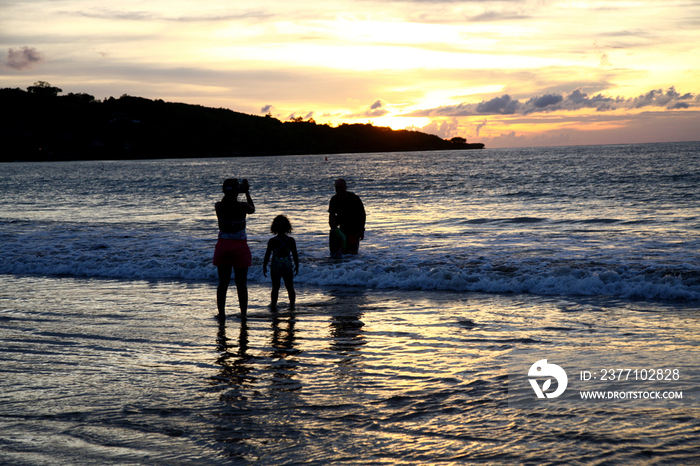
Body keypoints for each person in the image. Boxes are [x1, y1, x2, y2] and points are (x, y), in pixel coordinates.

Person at [213, 178, 255, 320]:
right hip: (239, 247)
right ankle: (243, 314)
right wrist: (247, 192)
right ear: (237, 191)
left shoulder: (218, 206)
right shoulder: (243, 206)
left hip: (223, 246)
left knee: (223, 283)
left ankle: (222, 313)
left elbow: (225, 200)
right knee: (241, 283)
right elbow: (252, 209)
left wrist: (234, 191)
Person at [263, 215, 299, 310]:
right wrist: (297, 265)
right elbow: (295, 255)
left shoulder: (272, 241)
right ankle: (292, 305)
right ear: (288, 227)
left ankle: (273, 305)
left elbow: (267, 255)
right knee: (290, 286)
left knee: (275, 287)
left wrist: (264, 266)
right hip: (287, 264)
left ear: (274, 227)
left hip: (276, 264)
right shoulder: (291, 240)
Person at [328, 178, 366, 254]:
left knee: (352, 254)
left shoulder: (354, 198)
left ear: (345, 188)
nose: (339, 189)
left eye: (341, 187)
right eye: (337, 187)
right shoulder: (334, 199)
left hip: (354, 229)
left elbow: (362, 214)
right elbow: (331, 214)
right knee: (341, 253)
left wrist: (361, 229)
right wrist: (332, 224)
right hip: (341, 229)